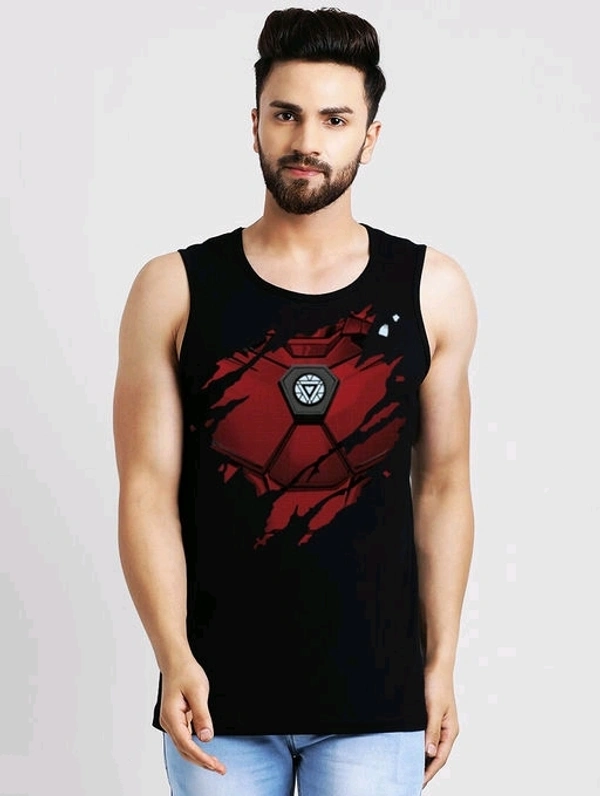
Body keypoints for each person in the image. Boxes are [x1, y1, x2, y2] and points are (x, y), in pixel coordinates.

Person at [112, 7, 477, 795]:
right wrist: (172, 655)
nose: (307, 140)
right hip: (215, 696)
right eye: (286, 114)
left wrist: (442, 664)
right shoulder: (174, 288)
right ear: (254, 125)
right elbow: (145, 491)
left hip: (376, 694)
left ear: (369, 138)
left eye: (334, 119)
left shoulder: (431, 288)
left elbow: (444, 486)